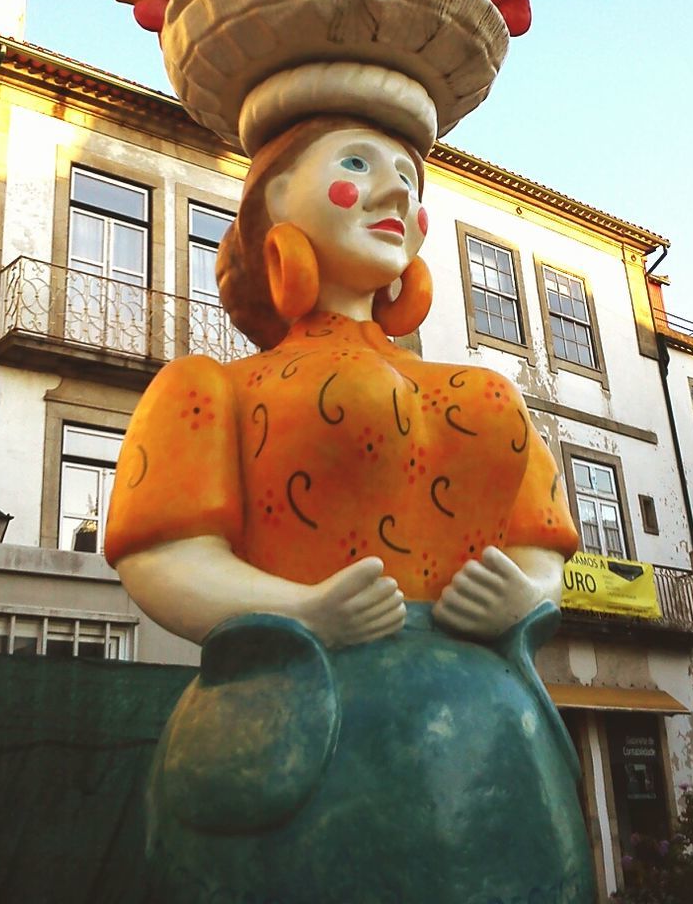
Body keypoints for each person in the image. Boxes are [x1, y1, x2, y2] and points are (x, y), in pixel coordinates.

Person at [106, 114, 594, 903]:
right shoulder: (211, 389)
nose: (397, 188)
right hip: (289, 737)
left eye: (410, 176)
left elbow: (540, 542)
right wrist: (301, 609)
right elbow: (161, 556)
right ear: (275, 209)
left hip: (495, 750)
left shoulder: (472, 388)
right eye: (360, 163)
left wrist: (527, 594)